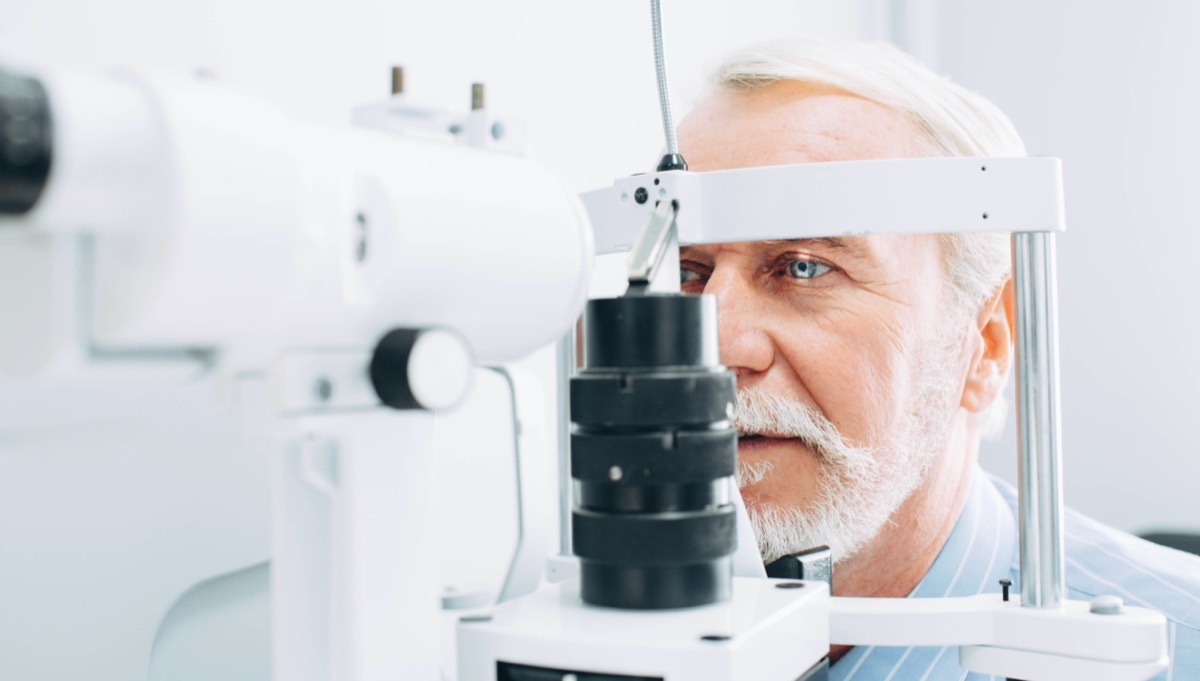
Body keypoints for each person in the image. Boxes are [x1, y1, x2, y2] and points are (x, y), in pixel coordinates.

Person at [674, 38, 1200, 679]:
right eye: (688, 274)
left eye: (804, 267)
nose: (714, 345)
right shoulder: (570, 635)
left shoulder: (1178, 648)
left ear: (987, 343)